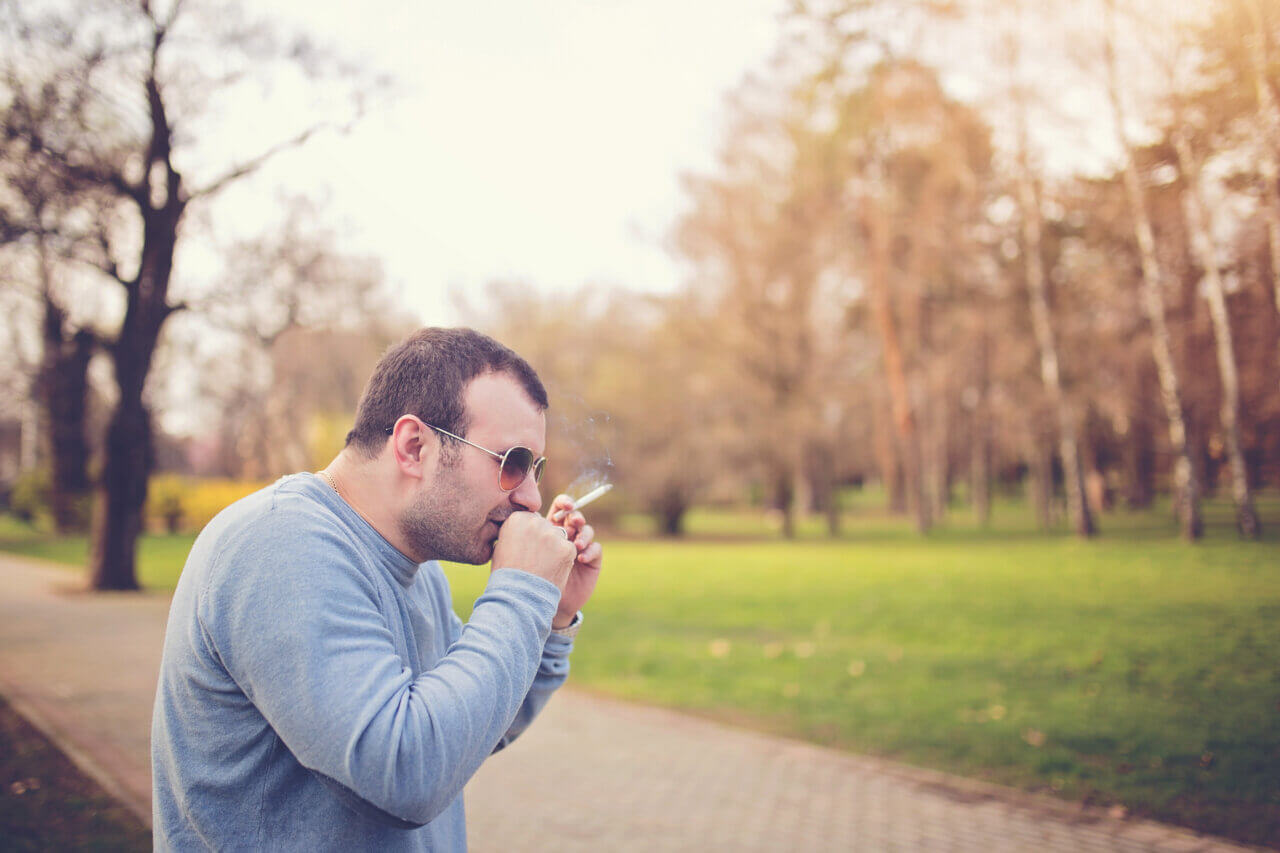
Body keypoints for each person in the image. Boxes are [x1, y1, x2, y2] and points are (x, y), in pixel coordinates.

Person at [151, 327, 604, 851]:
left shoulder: (420, 571)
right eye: (512, 463)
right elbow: (405, 777)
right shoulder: (280, 545)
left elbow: (471, 728)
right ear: (414, 447)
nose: (531, 498)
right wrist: (520, 595)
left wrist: (551, 618)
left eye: (534, 469)